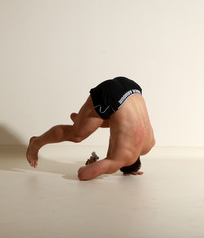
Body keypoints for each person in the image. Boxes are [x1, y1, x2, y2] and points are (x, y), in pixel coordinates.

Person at [26, 77, 155, 180]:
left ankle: (84, 121)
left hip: (131, 87)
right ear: (123, 165)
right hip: (109, 95)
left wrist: (131, 169)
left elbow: (120, 128)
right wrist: (92, 166)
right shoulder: (118, 159)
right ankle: (36, 143)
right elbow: (83, 175)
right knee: (77, 135)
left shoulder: (149, 145)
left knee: (120, 121)